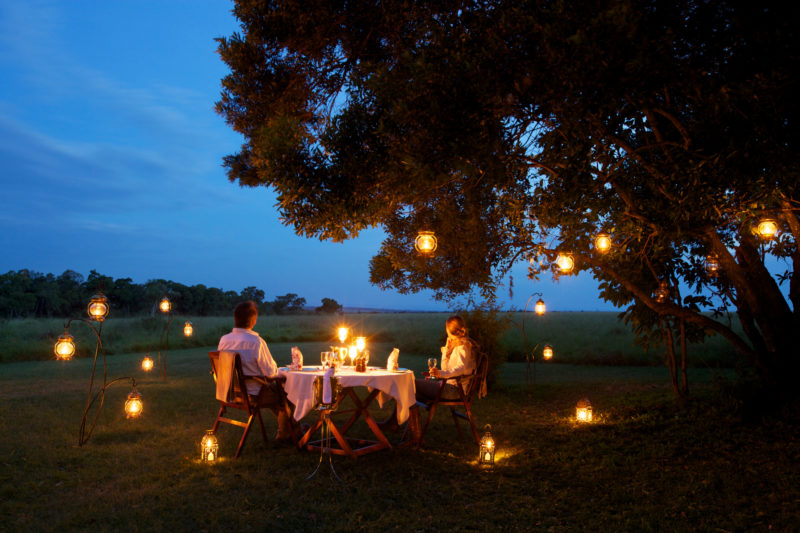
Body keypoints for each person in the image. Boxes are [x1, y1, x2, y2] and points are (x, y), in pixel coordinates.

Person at [218, 300, 296, 441]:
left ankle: (291, 430)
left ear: (235, 319)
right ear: (253, 320)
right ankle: (288, 433)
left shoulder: (224, 340)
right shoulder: (256, 342)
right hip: (253, 395)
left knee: (278, 395)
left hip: (229, 393)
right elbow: (270, 372)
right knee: (290, 393)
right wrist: (284, 373)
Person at [415, 315, 478, 401]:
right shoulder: (457, 346)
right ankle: (412, 413)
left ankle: (407, 413)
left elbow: (460, 368)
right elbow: (445, 368)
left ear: (449, 330)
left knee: (412, 383)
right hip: (447, 386)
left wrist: (440, 373)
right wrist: (446, 349)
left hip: (454, 390)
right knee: (413, 391)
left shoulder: (463, 347)